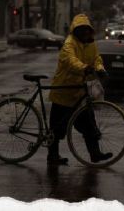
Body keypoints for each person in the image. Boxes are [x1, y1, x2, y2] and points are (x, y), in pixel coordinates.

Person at [47, 14, 111, 165]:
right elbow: (70, 61)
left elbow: (96, 59)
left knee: (89, 125)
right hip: (63, 91)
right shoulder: (69, 44)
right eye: (81, 30)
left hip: (80, 92)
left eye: (87, 30)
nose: (84, 33)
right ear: (75, 31)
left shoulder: (91, 44)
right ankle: (52, 155)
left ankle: (95, 154)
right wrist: (84, 68)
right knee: (57, 127)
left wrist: (100, 69)